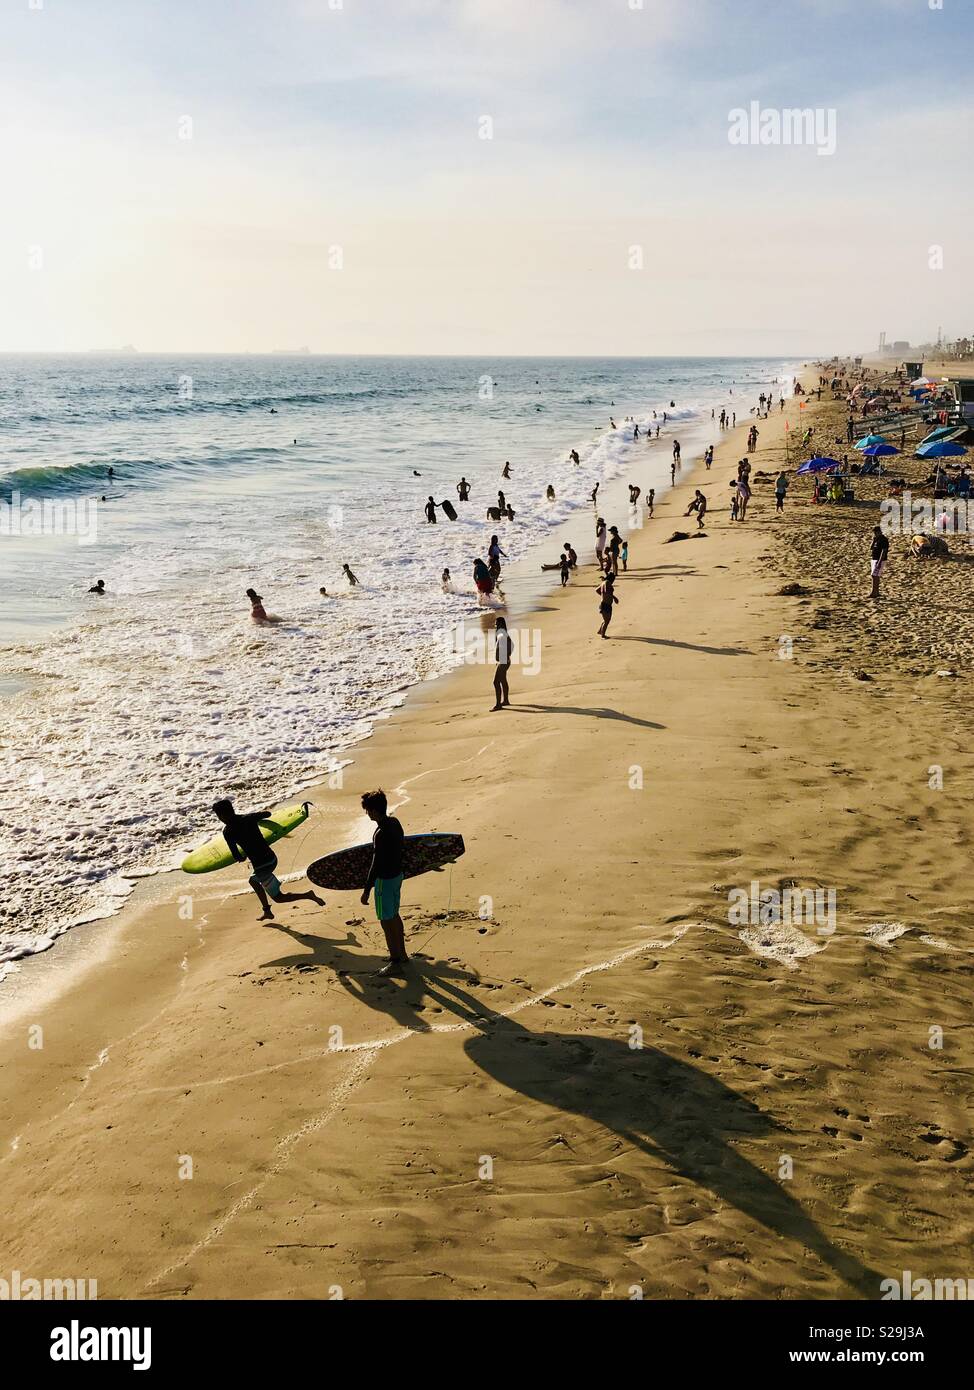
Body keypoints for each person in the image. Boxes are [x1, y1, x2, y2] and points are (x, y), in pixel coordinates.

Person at [213, 798, 323, 922]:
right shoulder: (249, 818)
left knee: (278, 898)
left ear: (222, 815)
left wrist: (243, 856)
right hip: (271, 858)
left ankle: (308, 895)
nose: (219, 818)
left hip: (262, 866)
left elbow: (237, 856)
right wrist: (257, 819)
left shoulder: (228, 831)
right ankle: (267, 911)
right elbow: (268, 814)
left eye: (218, 815)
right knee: (253, 881)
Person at [359, 789, 408, 976]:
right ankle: (402, 954)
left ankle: (395, 963)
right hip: (397, 876)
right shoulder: (395, 823)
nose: (367, 813)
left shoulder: (380, 833)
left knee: (386, 921)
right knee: (394, 915)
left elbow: (376, 864)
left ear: (374, 810)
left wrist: (366, 890)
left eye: (368, 810)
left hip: (385, 881)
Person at [491, 616, 512, 711]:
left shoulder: (502, 635)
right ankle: (506, 700)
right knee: (502, 680)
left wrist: (504, 657)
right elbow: (512, 645)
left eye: (496, 624)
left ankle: (498, 705)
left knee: (496, 682)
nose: (495, 625)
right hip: (504, 660)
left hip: (503, 661)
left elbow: (509, 645)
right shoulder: (503, 633)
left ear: (499, 624)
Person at [870, 525, 889, 600]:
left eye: (876, 532)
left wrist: (879, 562)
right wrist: (873, 540)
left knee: (874, 575)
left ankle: (874, 592)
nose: (875, 534)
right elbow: (871, 548)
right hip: (874, 558)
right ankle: (876, 592)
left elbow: (884, 551)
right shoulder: (876, 539)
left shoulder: (884, 540)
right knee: (875, 576)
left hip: (879, 559)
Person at [597, 572, 618, 638]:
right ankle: (603, 635)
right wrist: (614, 598)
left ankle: (600, 631)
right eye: (613, 579)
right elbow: (607, 591)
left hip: (605, 603)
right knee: (607, 621)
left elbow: (597, 590)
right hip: (605, 604)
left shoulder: (604, 582)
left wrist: (603, 595)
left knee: (606, 619)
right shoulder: (607, 582)